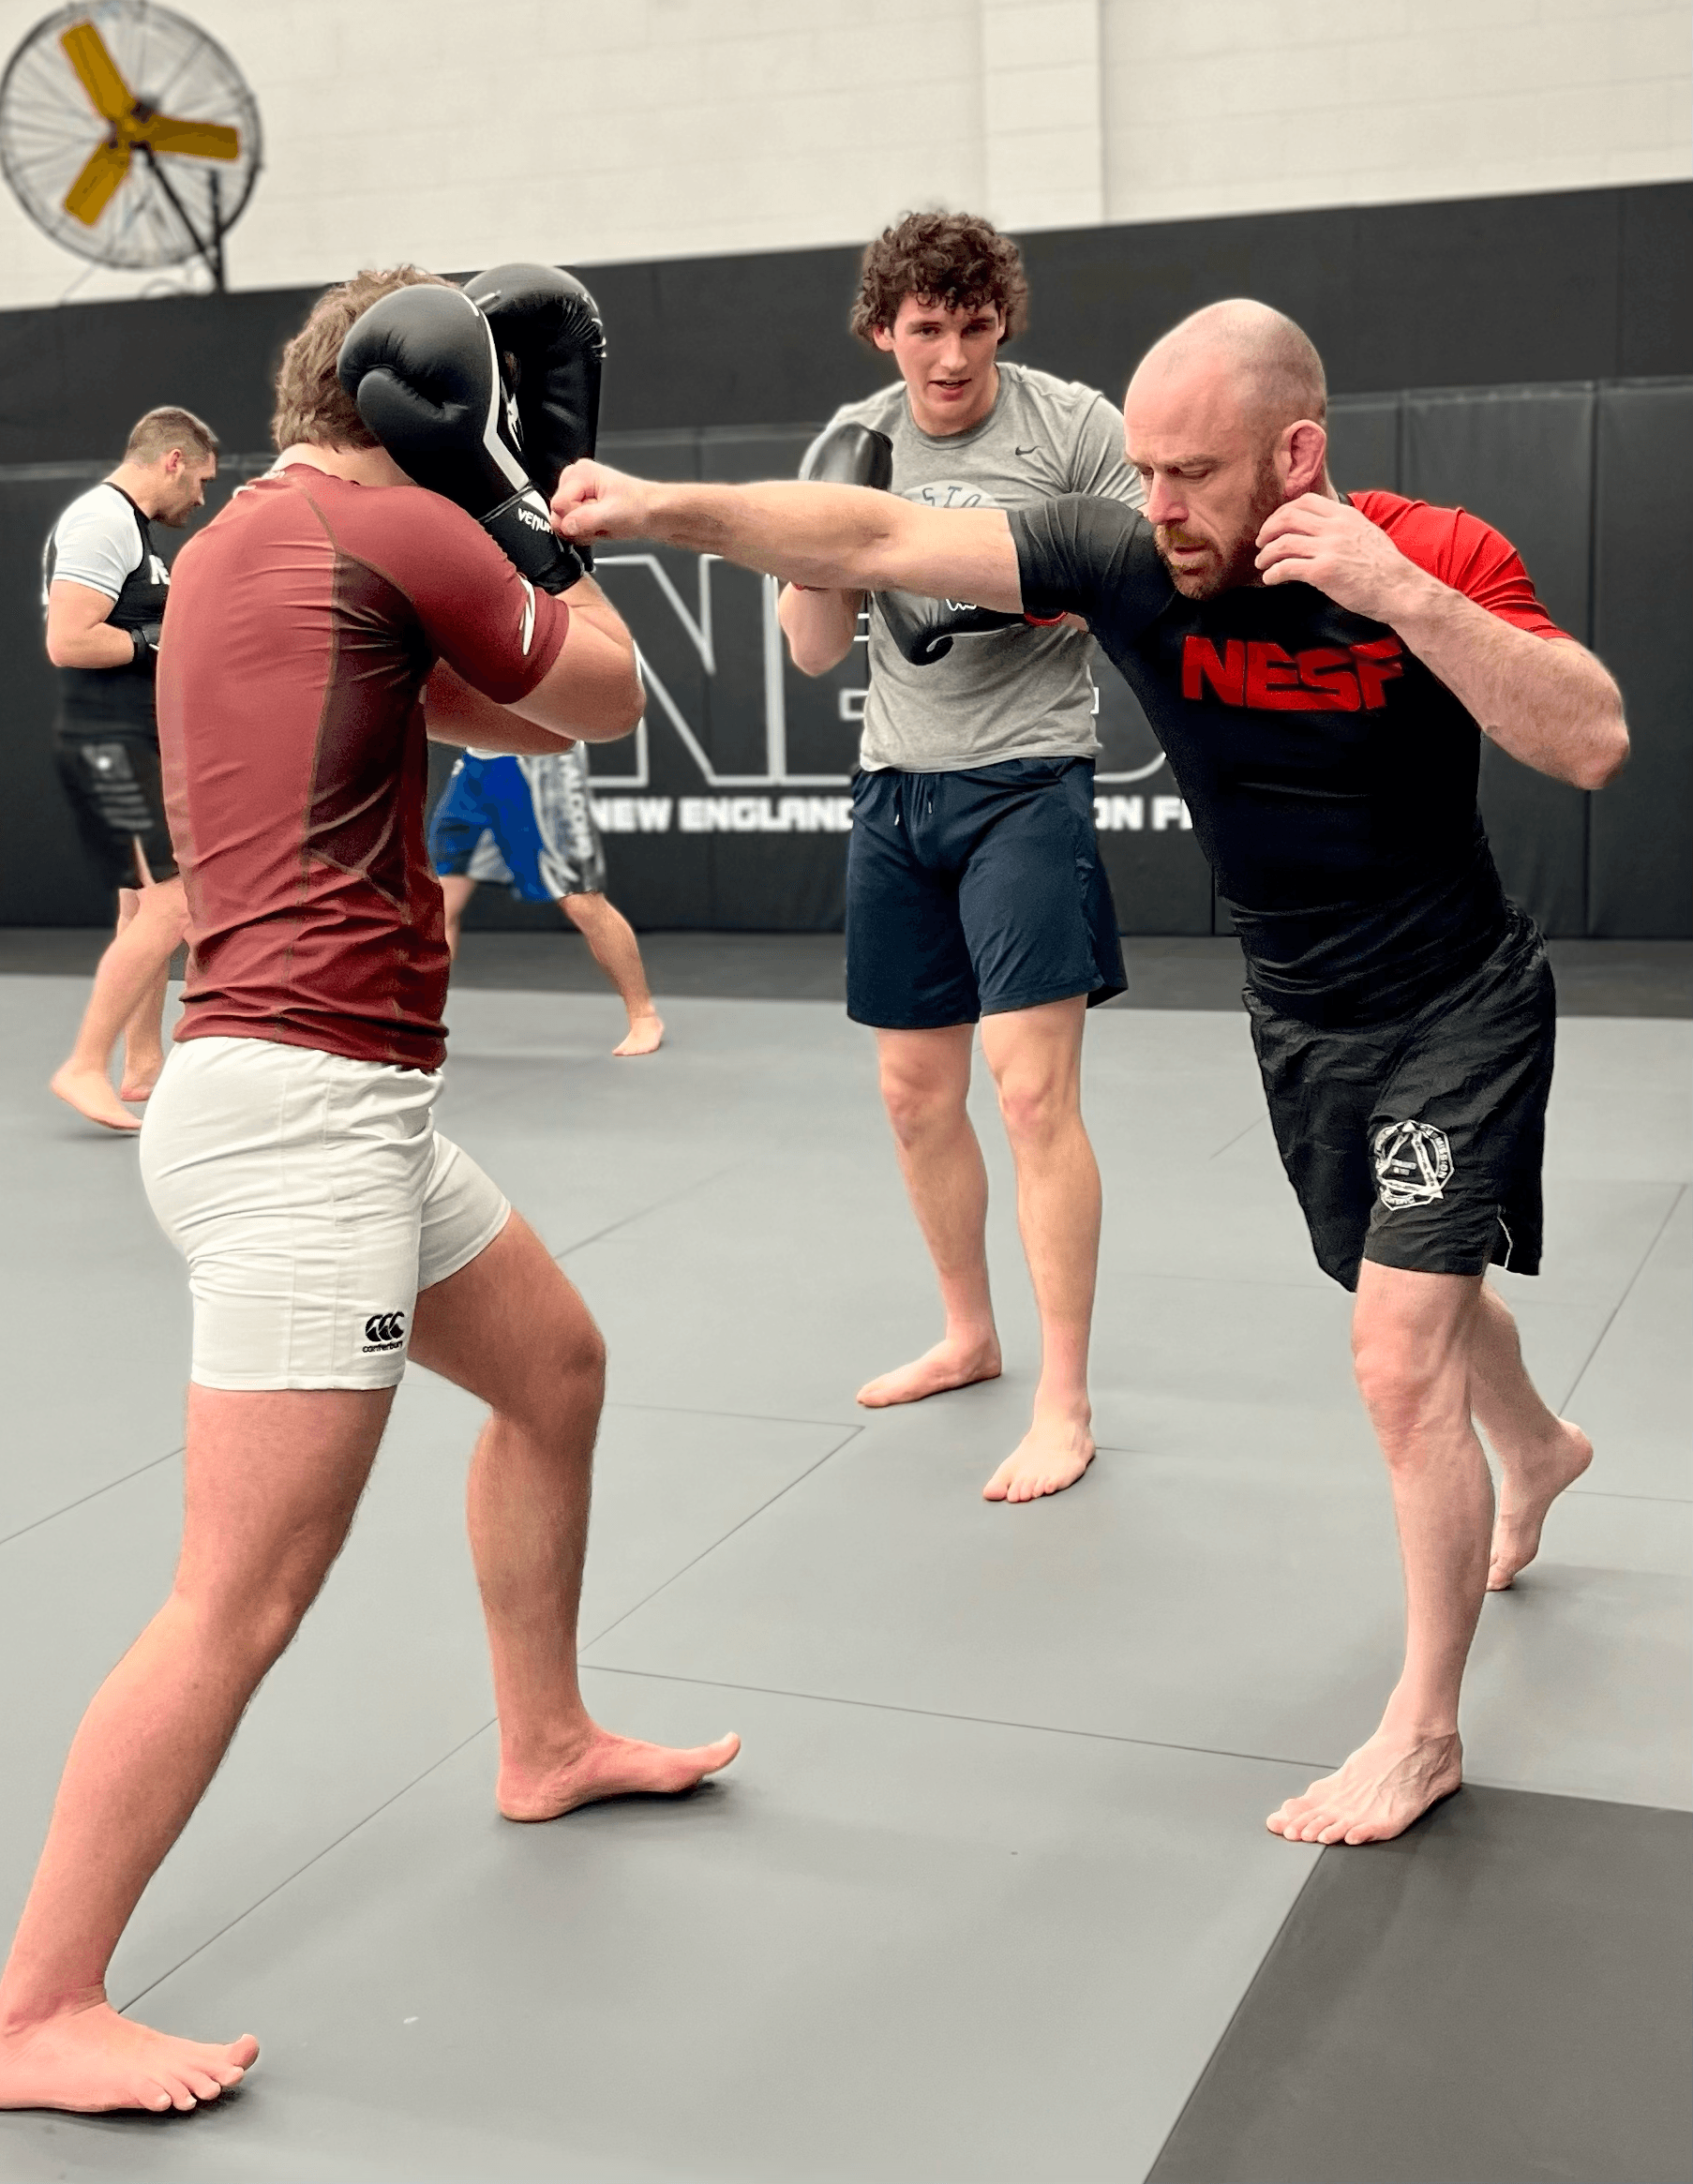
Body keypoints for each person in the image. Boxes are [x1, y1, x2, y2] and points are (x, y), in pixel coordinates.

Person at [547, 296, 1629, 1848]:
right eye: (1144, 469)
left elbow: (1587, 739)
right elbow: (876, 535)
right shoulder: (1127, 555)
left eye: (1192, 474)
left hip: (1457, 1000)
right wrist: (658, 508)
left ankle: (1424, 1731)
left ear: (1296, 457)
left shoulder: (1432, 549)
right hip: (1301, 1013)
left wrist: (1399, 595)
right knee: (1416, 1283)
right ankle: (1535, 1444)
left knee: (1398, 1355)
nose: (1157, 502)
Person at [0, 266, 736, 2121]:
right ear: (437, 406)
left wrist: (505, 545)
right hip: (308, 1122)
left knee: (553, 1370)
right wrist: (534, 497)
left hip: (313, 1100)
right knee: (240, 1596)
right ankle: (37, 2008)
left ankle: (543, 1738)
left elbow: (511, 720)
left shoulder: (249, 538)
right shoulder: (398, 523)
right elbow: (610, 692)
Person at [780, 211, 1144, 1503]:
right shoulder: (856, 435)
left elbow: (1143, 576)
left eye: (973, 326)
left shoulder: (1071, 427)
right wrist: (822, 541)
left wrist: (1035, 581)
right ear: (883, 328)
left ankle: (1065, 1398)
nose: (949, 355)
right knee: (911, 1094)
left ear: (1002, 322)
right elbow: (812, 650)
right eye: (924, 328)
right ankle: (968, 1333)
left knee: (1031, 1093)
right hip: (896, 788)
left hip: (1027, 780)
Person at [44, 409, 218, 1131]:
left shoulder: (132, 530)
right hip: (107, 745)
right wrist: (159, 641)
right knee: (175, 906)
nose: (201, 498)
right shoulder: (102, 520)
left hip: (134, 742)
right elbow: (69, 641)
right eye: (200, 481)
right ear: (172, 460)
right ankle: (83, 1064)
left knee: (142, 910)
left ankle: (142, 1063)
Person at [427, 681, 665, 1056]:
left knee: (580, 900)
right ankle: (422, 1021)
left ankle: (644, 1016)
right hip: (477, 764)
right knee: (438, 904)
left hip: (541, 761)